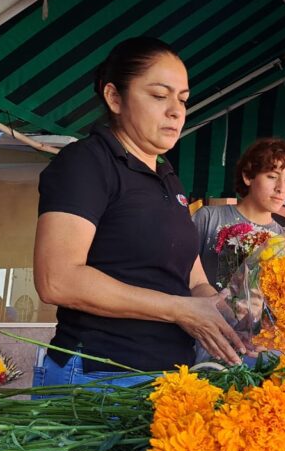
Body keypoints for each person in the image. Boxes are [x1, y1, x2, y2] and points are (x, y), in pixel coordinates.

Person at [32, 37, 245, 388]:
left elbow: (192, 280)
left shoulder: (168, 177)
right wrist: (179, 309)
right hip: (98, 376)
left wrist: (223, 309)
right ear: (115, 97)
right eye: (159, 96)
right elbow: (57, 279)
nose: (176, 111)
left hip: (167, 375)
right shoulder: (87, 162)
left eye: (183, 99)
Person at [192, 137, 285, 288]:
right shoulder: (209, 218)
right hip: (202, 309)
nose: (281, 188)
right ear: (247, 176)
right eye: (272, 176)